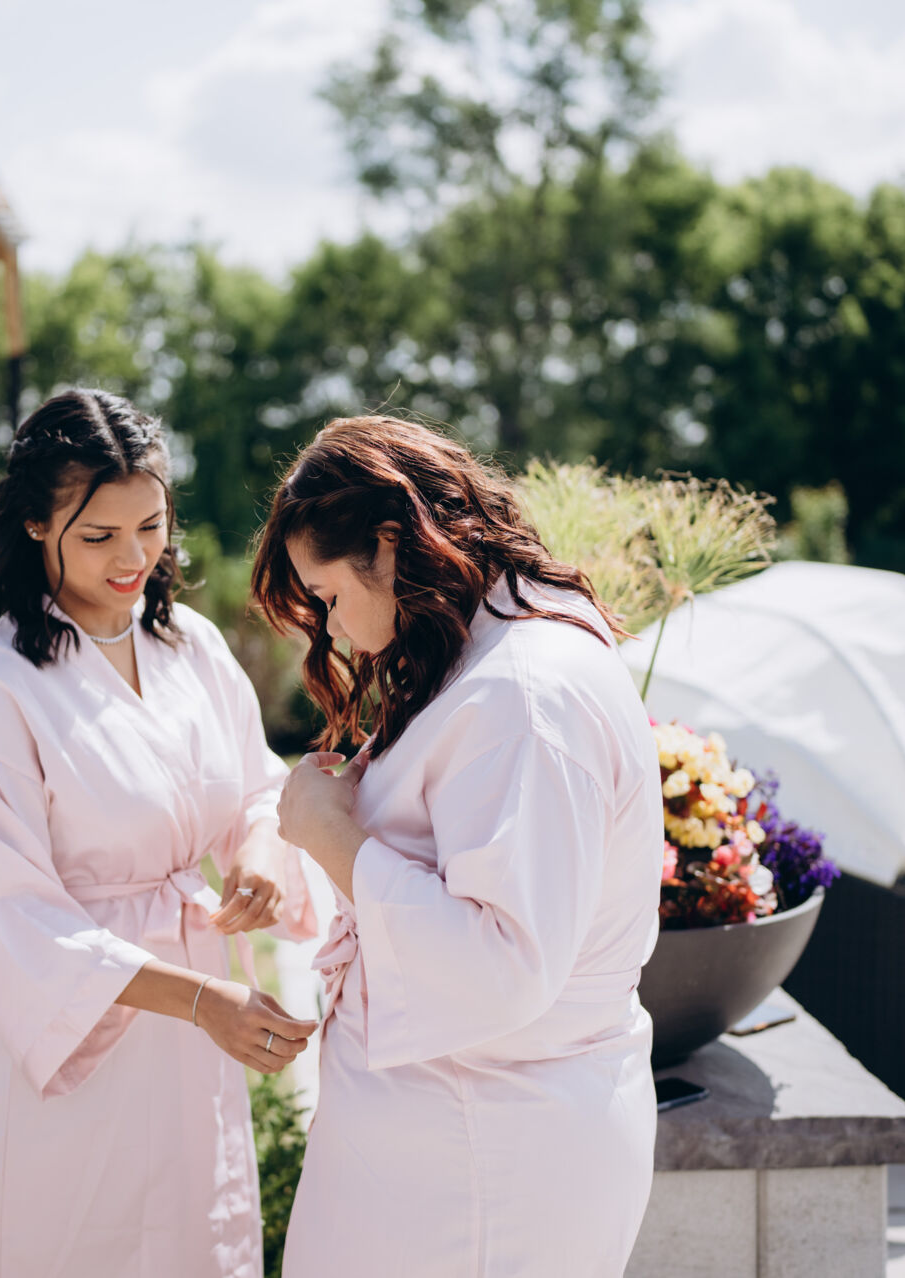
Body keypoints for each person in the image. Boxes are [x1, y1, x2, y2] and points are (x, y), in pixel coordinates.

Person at [250, 415, 664, 1277]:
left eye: (329, 597)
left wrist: (334, 836)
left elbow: (501, 961)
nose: (333, 628)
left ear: (388, 543)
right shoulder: (490, 654)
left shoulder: (524, 695)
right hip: (456, 1139)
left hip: (487, 1162)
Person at [0, 389, 320, 1278]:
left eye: (151, 526)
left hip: (198, 1034)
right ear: (36, 524)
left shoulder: (193, 647)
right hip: (84, 1036)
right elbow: (10, 916)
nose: (135, 557)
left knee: (195, 1236)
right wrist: (199, 1000)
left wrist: (259, 848)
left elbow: (257, 786)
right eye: (100, 535)